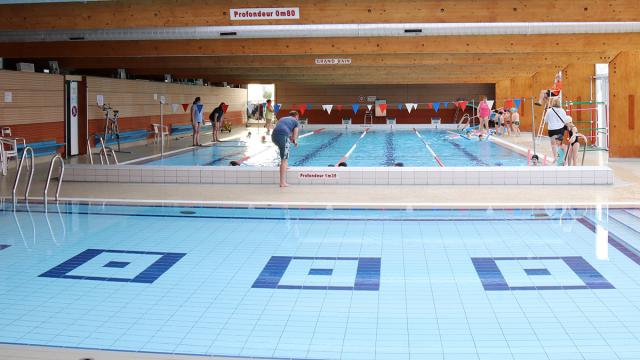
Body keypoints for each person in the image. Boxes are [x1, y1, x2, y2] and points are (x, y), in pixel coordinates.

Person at [271, 110, 300, 187]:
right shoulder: (296, 121)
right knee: (284, 159)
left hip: (274, 136)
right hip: (282, 136)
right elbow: (295, 136)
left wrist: (291, 140)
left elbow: (280, 129)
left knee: (283, 150)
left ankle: (285, 166)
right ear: (296, 116)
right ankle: (282, 183)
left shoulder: (283, 118)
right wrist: (294, 140)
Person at [544, 97, 569, 162]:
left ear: (553, 103)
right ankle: (563, 158)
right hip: (560, 129)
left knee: (553, 144)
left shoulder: (549, 110)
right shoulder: (562, 110)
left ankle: (555, 157)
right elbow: (565, 120)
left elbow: (545, 120)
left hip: (552, 130)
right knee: (560, 144)